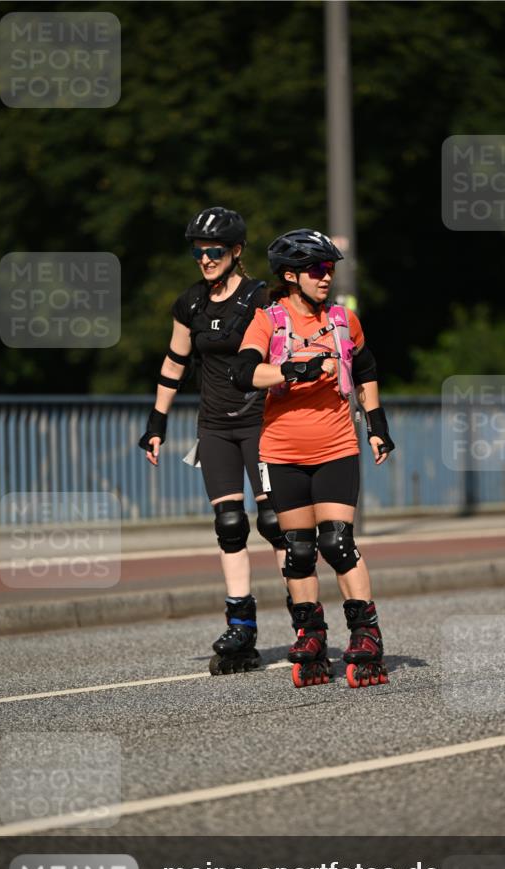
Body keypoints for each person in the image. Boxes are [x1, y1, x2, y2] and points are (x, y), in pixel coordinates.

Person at [228, 228, 395, 688]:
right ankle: (311, 634)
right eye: (318, 270)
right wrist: (292, 368)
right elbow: (243, 372)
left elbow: (365, 370)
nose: (327, 277)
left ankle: (365, 634)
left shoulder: (343, 320)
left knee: (336, 543)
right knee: (298, 550)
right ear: (290, 275)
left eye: (330, 269)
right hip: (281, 452)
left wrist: (377, 426)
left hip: (336, 447)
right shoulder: (269, 321)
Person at [139, 206, 288, 675]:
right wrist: (156, 423)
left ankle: (307, 621)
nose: (205, 259)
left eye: (215, 252)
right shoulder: (190, 305)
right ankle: (241, 626)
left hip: (261, 422)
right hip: (215, 427)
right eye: (199, 252)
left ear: (236, 251)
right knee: (229, 524)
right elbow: (173, 363)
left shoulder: (262, 298)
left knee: (273, 523)